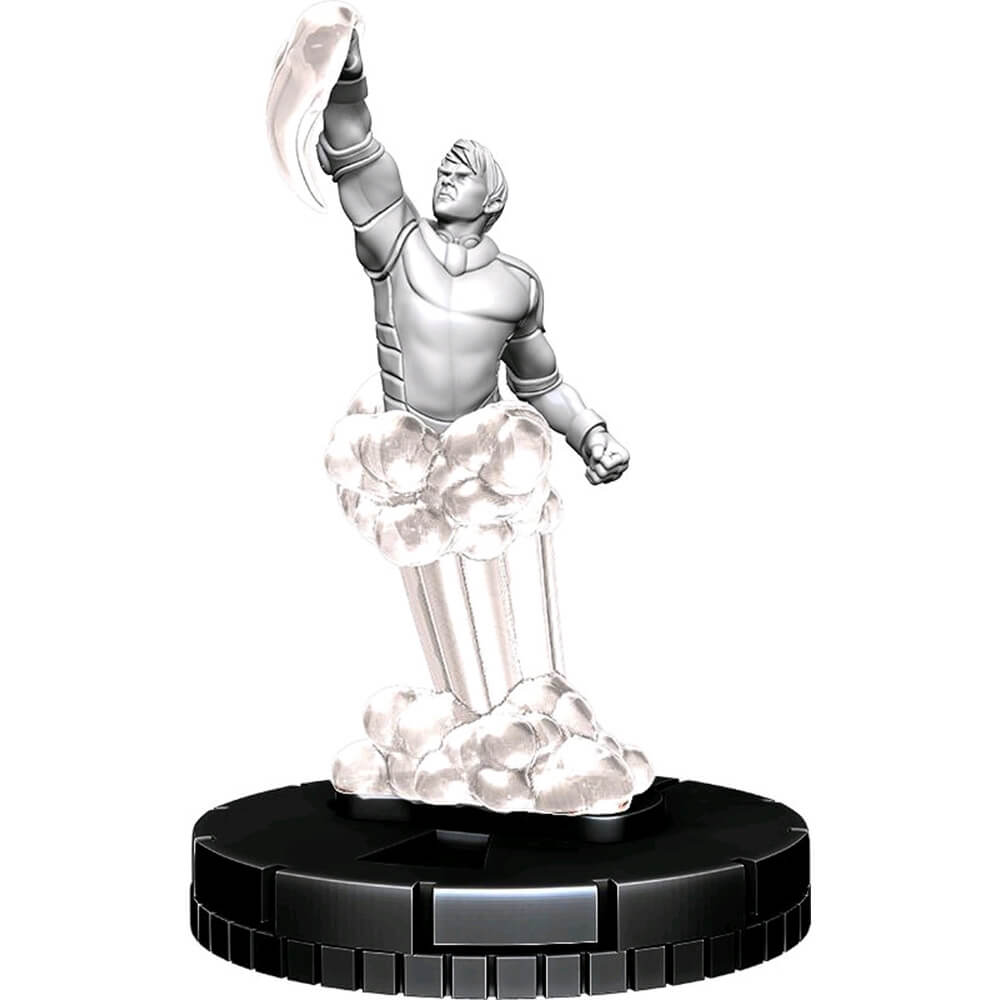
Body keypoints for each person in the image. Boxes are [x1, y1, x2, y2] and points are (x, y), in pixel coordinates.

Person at [318, 31, 629, 485]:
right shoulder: (399, 241)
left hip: (483, 472)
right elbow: (356, 154)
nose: (446, 179)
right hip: (403, 466)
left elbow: (542, 384)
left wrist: (592, 435)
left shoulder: (518, 285)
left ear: (492, 200)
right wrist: (348, 80)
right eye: (443, 172)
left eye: (462, 175)